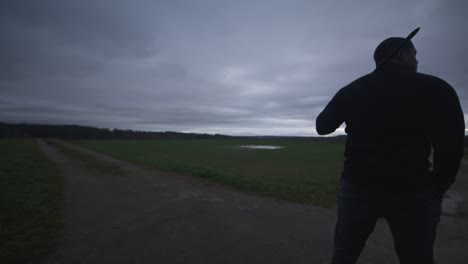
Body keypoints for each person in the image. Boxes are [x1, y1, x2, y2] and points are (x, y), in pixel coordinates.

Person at [316, 28, 465, 263]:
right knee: (417, 258)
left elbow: (322, 126)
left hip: (357, 188)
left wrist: (352, 119)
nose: (417, 60)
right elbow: (451, 145)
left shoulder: (352, 90)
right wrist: (437, 188)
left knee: (345, 254)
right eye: (414, 54)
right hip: (413, 191)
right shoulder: (436, 88)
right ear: (400, 55)